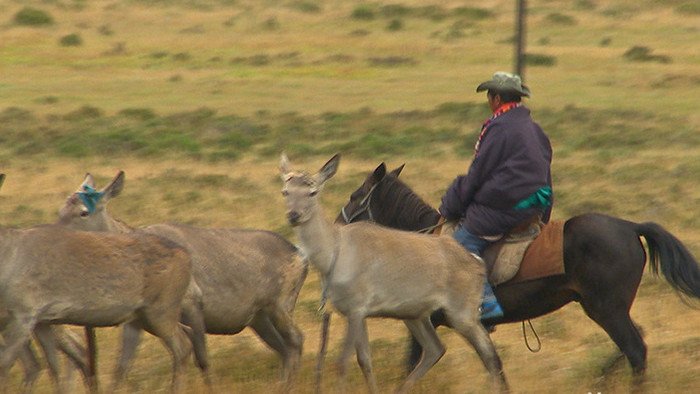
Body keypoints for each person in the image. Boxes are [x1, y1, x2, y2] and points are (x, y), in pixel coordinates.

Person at [438, 71, 553, 322]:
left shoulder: (498, 128)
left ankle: (486, 304)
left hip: (507, 207)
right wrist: (544, 213)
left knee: (458, 248)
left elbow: (478, 174)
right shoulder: (534, 129)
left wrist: (451, 205)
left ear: (497, 99)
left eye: (490, 97)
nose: (489, 102)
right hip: (535, 203)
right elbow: (546, 172)